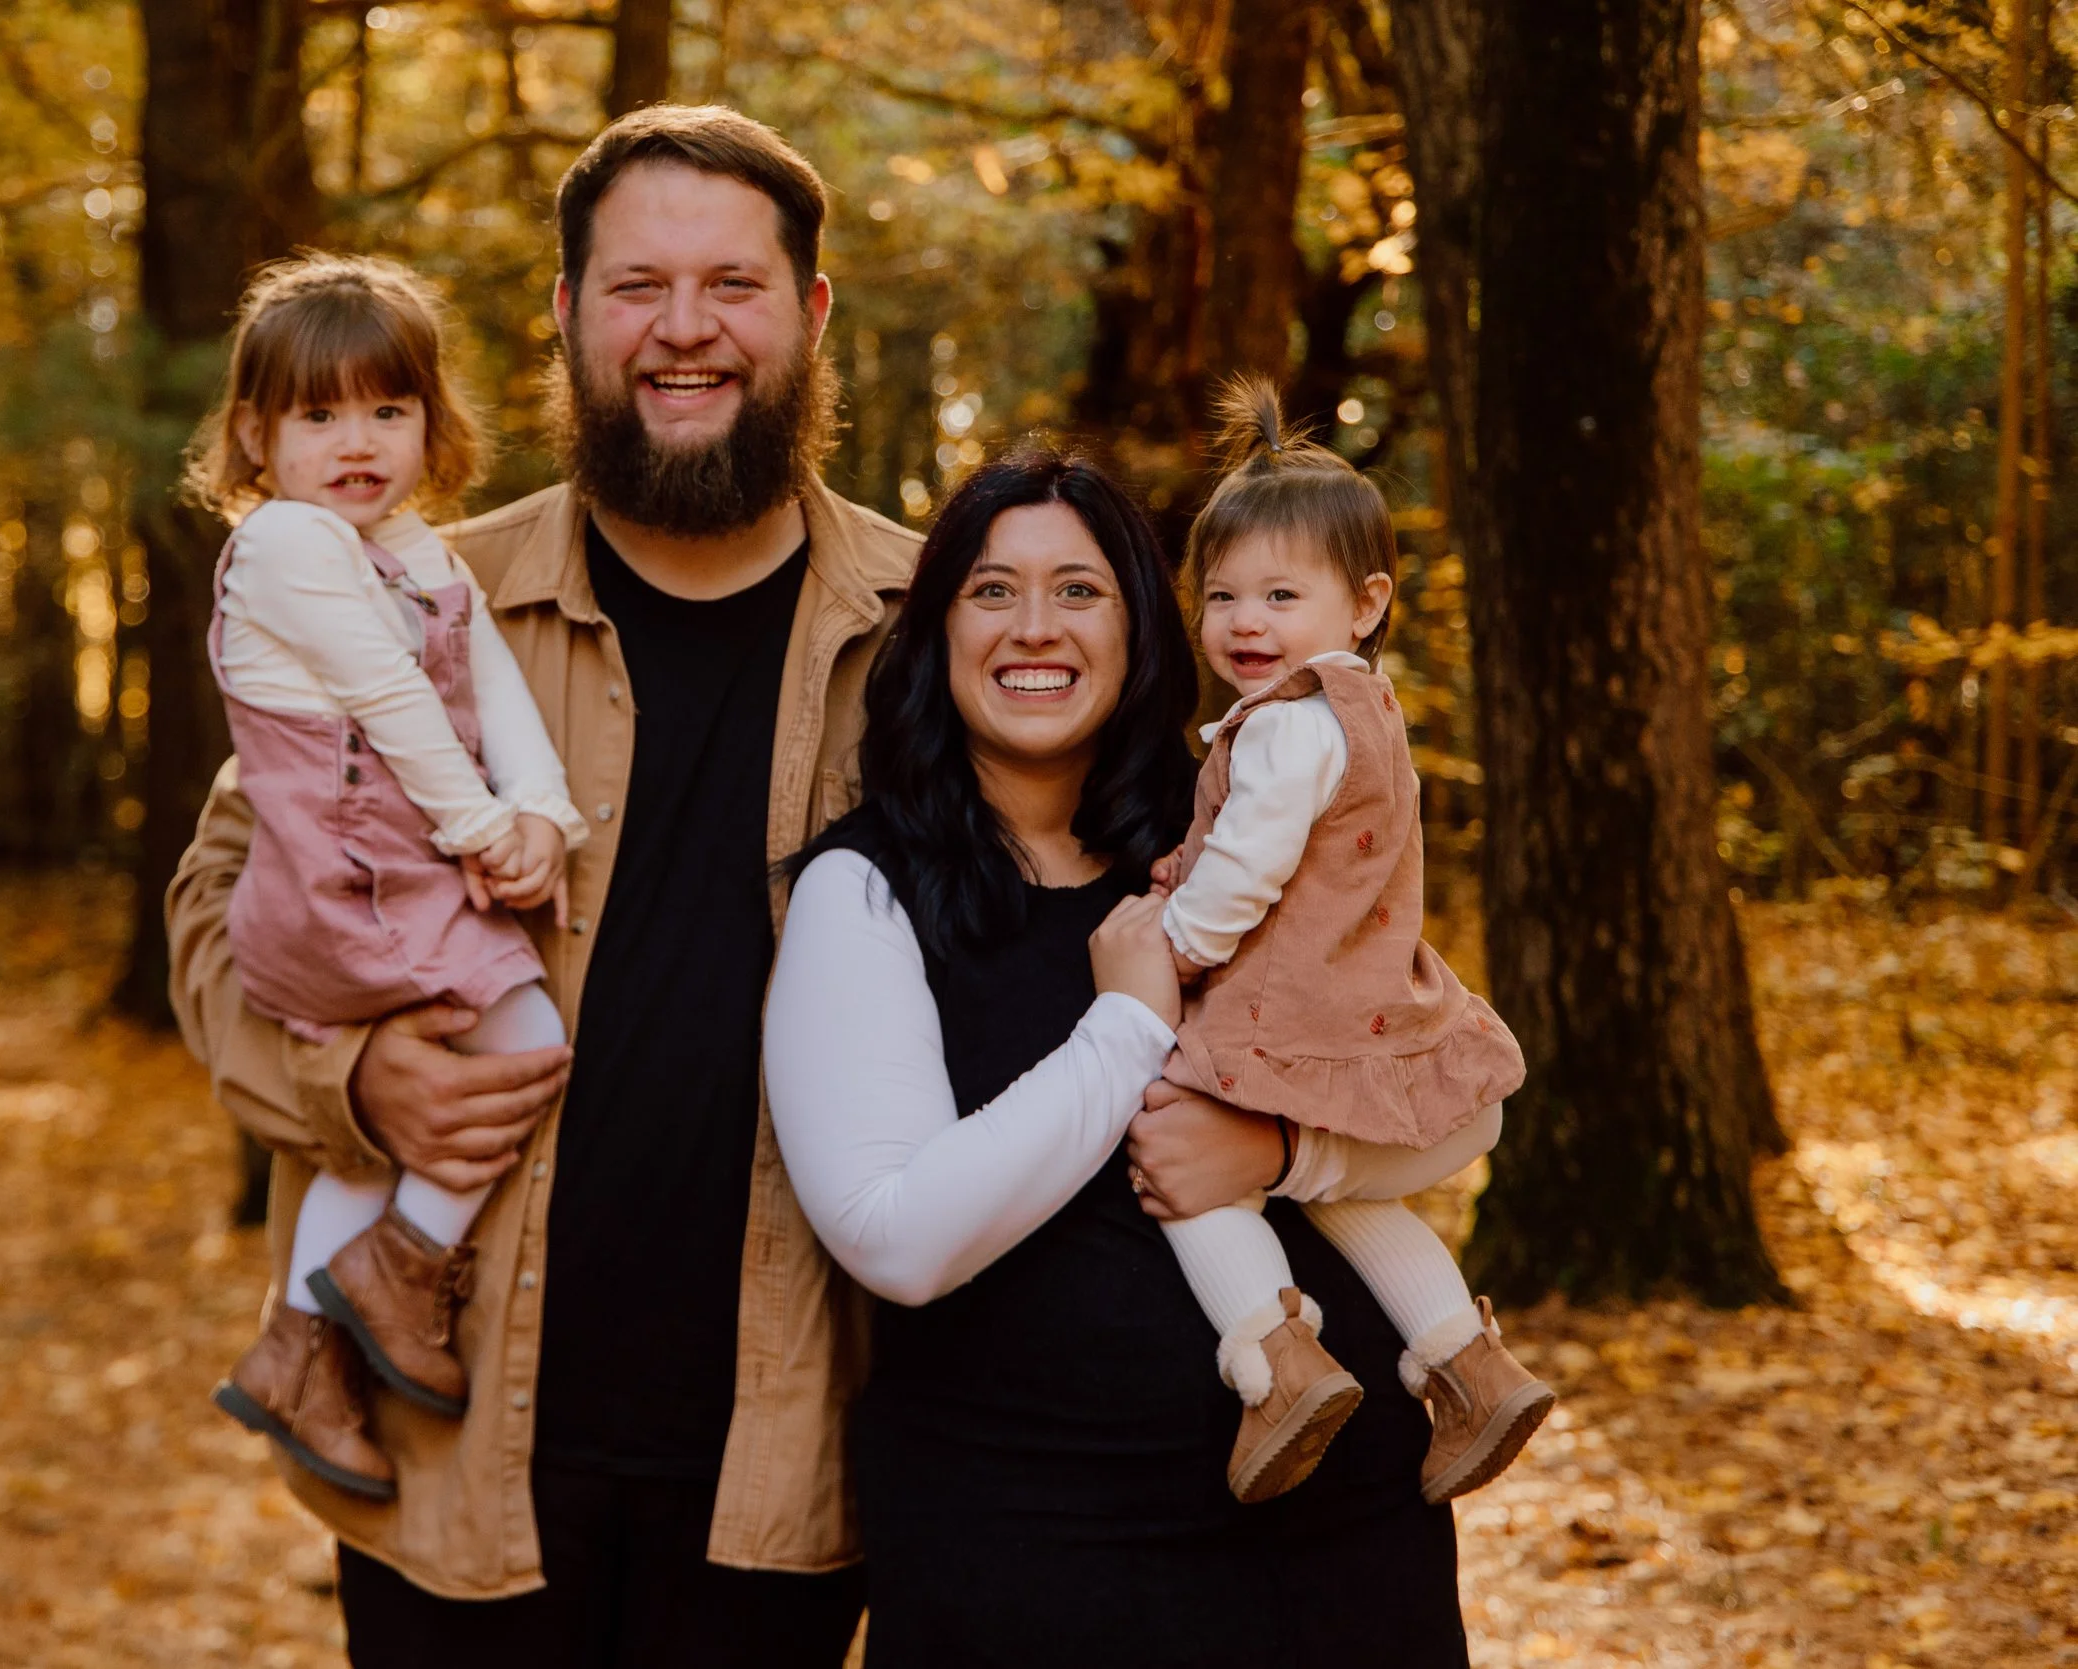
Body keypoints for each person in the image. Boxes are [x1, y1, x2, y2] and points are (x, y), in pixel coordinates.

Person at [165, 105, 912, 1667]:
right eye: (637, 286)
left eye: (734, 286)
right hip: (461, 1466)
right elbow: (215, 918)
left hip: (785, 1465)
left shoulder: (930, 632)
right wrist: (354, 1074)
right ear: (567, 317)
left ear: (812, 313)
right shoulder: (410, 581)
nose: (685, 331)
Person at [765, 449, 1471, 1666]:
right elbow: (897, 1238)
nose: (1034, 626)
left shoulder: (1236, 841)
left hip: (1350, 1567)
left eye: (1079, 590)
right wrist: (1127, 1025)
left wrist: (1283, 1148)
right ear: (935, 628)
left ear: (1143, 624)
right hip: (1046, 1566)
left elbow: (1464, 1112)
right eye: (991, 591)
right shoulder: (867, 890)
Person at [186, 254, 588, 1502]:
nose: (356, 443)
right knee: (525, 1035)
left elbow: (496, 694)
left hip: (380, 880)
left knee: (357, 1149)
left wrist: (543, 814)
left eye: (386, 410)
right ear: (257, 434)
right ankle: (403, 1269)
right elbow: (391, 699)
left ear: (430, 420)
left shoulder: (414, 550)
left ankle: (302, 1356)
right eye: (318, 416)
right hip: (347, 887)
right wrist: (481, 833)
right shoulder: (289, 545)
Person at [1147, 379, 1553, 1506]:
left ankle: (1273, 1359)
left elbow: (1246, 870)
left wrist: (1168, 947)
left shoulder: (1282, 729)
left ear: (1366, 601)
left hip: (1285, 1014)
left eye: (1281, 593)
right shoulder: (1360, 710)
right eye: (1220, 594)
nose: (1244, 622)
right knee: (1345, 1190)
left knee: (1189, 1176)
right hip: (1368, 1001)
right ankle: (1466, 1363)